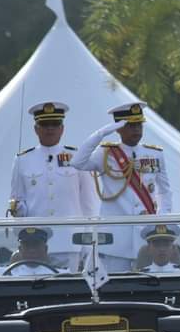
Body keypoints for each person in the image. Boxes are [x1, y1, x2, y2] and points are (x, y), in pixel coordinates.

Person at [71, 101, 172, 272]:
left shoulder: (155, 154)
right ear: (118, 127)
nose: (136, 130)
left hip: (146, 237)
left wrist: (161, 220)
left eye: (139, 125)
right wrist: (102, 133)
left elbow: (165, 190)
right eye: (130, 126)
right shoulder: (106, 153)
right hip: (115, 239)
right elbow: (77, 162)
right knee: (115, 288)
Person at [8, 101, 98, 269]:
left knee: (69, 291)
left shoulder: (77, 157)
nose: (50, 128)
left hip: (70, 242)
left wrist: (88, 242)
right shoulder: (22, 160)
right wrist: (20, 211)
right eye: (44, 124)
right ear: (36, 129)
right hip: (35, 244)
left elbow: (89, 204)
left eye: (55, 124)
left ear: (62, 128)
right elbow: (16, 200)